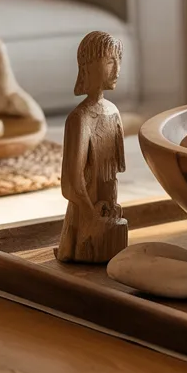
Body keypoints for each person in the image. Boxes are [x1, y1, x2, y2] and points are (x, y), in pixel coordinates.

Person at [57, 31, 128, 263]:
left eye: (119, 61)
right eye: (109, 62)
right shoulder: (80, 118)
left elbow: (114, 172)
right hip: (85, 213)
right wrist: (91, 215)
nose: (117, 70)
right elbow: (71, 182)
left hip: (108, 209)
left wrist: (111, 209)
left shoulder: (113, 112)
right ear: (88, 67)